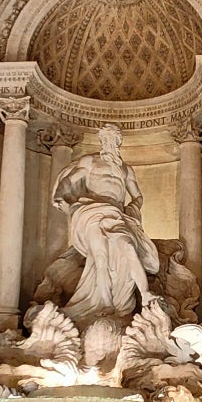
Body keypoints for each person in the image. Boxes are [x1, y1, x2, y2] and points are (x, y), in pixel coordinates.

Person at [50, 124, 161, 324]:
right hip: (91, 211)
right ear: (101, 141)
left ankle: (145, 294)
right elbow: (69, 180)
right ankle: (106, 303)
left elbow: (137, 195)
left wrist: (133, 209)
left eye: (114, 138)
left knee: (128, 247)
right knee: (99, 257)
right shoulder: (90, 161)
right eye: (107, 138)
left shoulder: (126, 169)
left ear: (119, 142)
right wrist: (60, 196)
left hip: (116, 214)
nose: (111, 142)